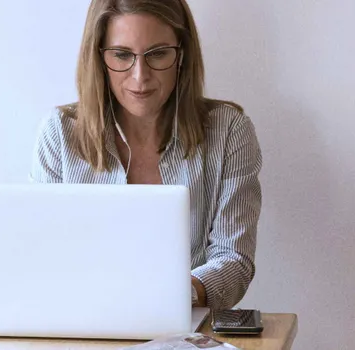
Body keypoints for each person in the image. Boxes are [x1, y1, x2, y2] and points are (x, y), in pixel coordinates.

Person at [29, 0, 262, 311]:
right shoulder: (59, 134)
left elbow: (234, 261)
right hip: (82, 326)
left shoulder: (229, 130)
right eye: (122, 55)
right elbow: (41, 259)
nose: (140, 77)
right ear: (98, 57)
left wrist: (176, 295)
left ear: (182, 54)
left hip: (185, 329)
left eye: (157, 54)